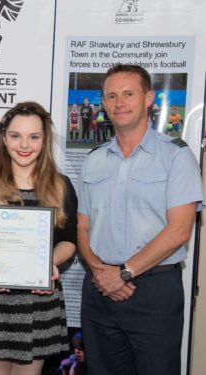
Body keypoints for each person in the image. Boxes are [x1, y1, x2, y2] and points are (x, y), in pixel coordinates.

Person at [77, 64, 203, 375]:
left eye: (128, 94)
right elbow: (82, 226)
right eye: (111, 96)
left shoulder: (177, 156)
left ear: (148, 98)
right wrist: (100, 271)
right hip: (99, 290)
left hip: (153, 291)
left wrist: (123, 273)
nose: (119, 103)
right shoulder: (93, 160)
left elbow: (179, 230)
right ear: (103, 104)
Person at [0, 101, 78, 375]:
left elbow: (69, 240)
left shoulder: (61, 185)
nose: (24, 144)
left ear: (44, 140)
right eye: (15, 136)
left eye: (34, 136)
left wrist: (49, 265)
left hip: (38, 299)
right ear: (4, 138)